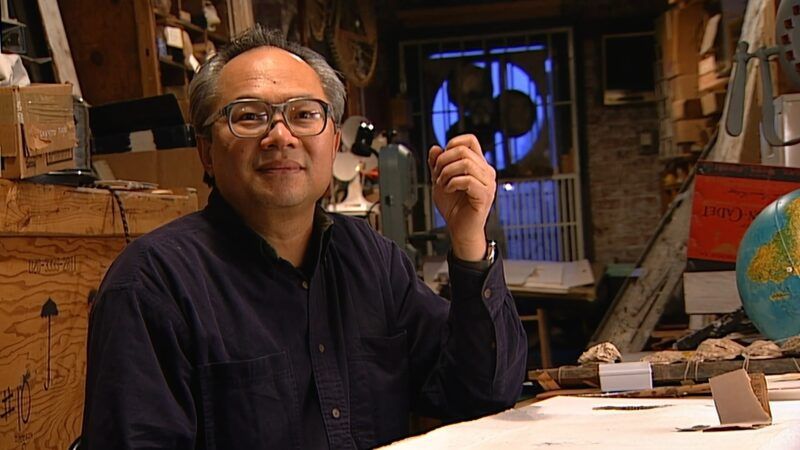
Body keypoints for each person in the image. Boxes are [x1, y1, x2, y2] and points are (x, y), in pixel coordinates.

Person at [81, 26, 527, 449]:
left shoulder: (373, 261)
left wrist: (469, 237)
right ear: (206, 152)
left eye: (304, 114)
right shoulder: (152, 286)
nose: (281, 135)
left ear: (334, 142)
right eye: (250, 116)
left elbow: (479, 396)